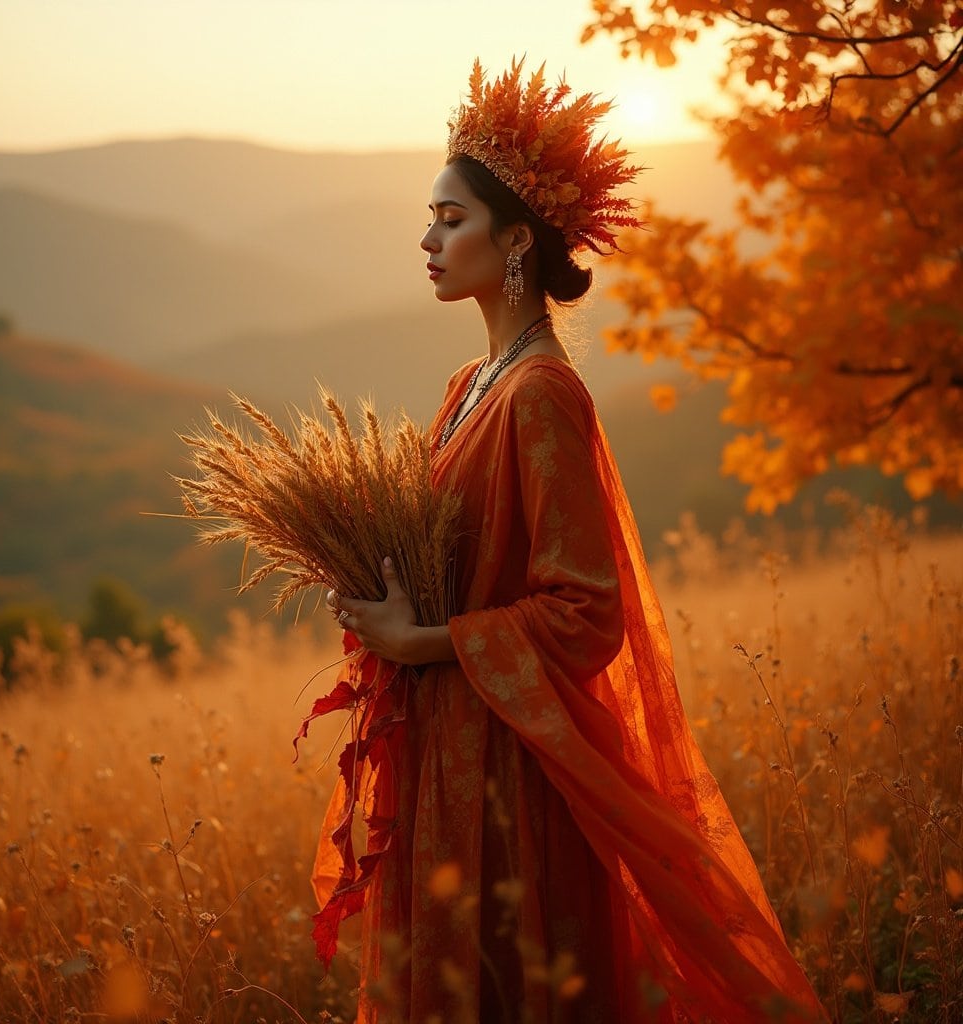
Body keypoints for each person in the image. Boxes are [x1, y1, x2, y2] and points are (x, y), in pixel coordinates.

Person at [323, 59, 829, 1024]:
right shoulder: (469, 387)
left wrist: (422, 644)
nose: (428, 238)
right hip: (445, 750)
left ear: (515, 240)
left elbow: (584, 613)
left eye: (450, 218)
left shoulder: (542, 394)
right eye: (428, 217)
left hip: (507, 770)